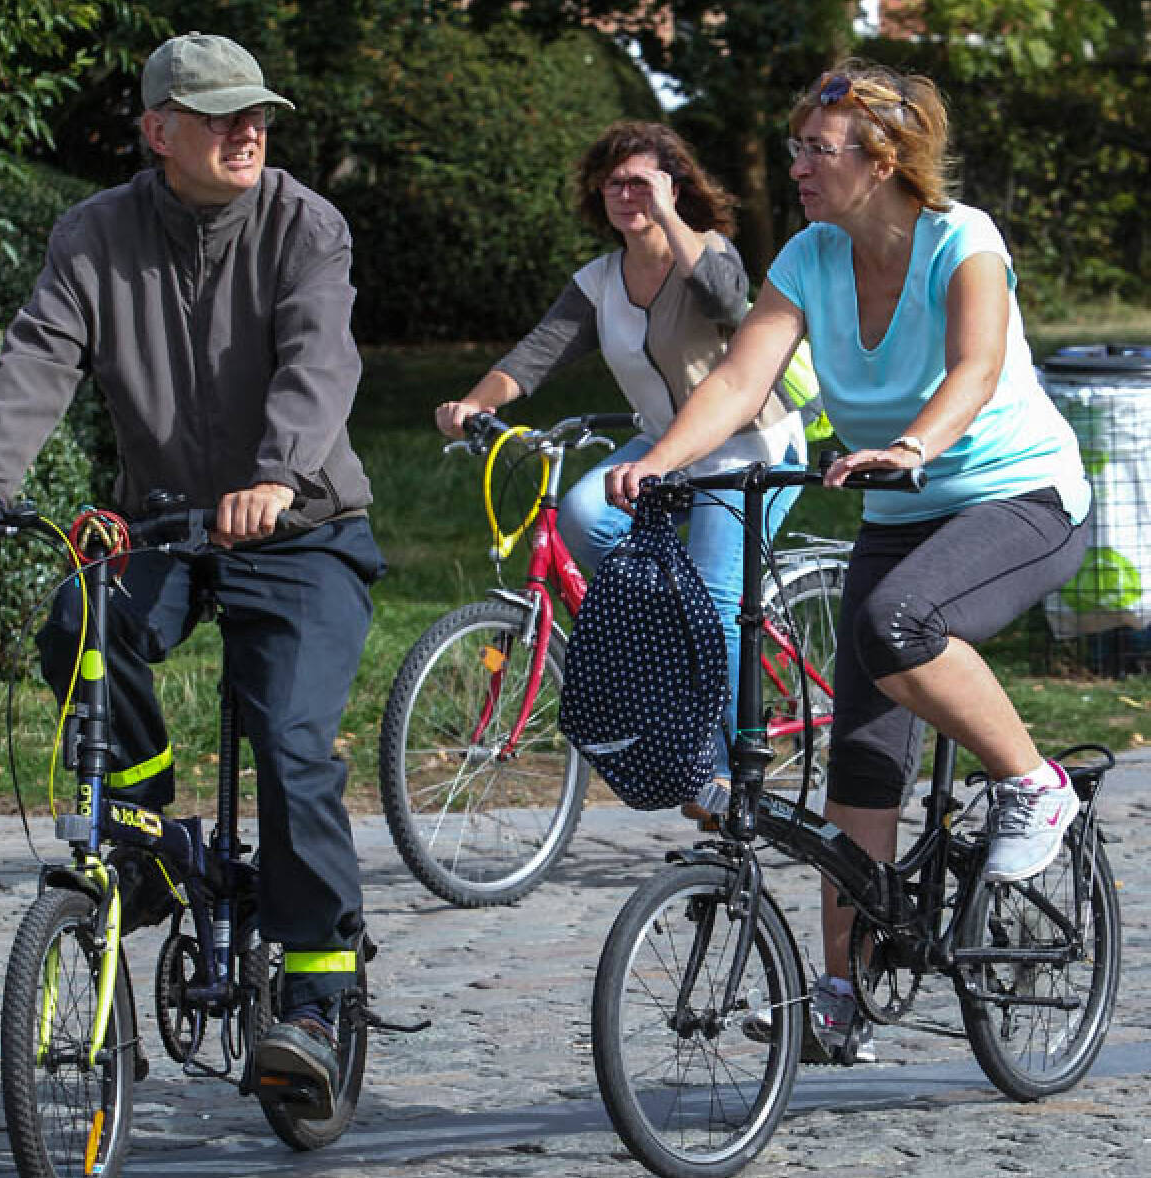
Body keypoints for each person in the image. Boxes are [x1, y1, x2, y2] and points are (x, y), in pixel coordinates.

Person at [604, 60, 1092, 1064]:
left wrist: (912, 445)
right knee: (861, 758)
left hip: (1018, 496)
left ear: (881, 159)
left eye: (815, 150)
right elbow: (741, 379)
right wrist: (659, 462)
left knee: (896, 624)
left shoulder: (962, 240)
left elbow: (975, 368)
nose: (796, 166)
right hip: (900, 509)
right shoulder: (809, 257)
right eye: (794, 148)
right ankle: (842, 993)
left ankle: (1034, 783)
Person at [0, 32, 381, 1114]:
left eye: (256, 114)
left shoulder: (306, 225)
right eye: (219, 116)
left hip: (301, 526)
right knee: (78, 618)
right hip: (166, 524)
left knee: (291, 743)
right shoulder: (95, 236)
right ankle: (145, 835)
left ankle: (314, 999)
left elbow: (319, 360)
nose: (248, 131)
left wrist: (278, 476)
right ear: (158, 131)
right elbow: (37, 357)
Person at [435, 120, 822, 796]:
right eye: (612, 183)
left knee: (717, 600)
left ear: (673, 186)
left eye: (640, 182)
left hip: (751, 444)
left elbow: (724, 298)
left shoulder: (711, 251)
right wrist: (472, 403)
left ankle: (727, 772)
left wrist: (670, 217)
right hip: (664, 447)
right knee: (585, 515)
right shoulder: (599, 283)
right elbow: (532, 357)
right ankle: (672, 636)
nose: (625, 194)